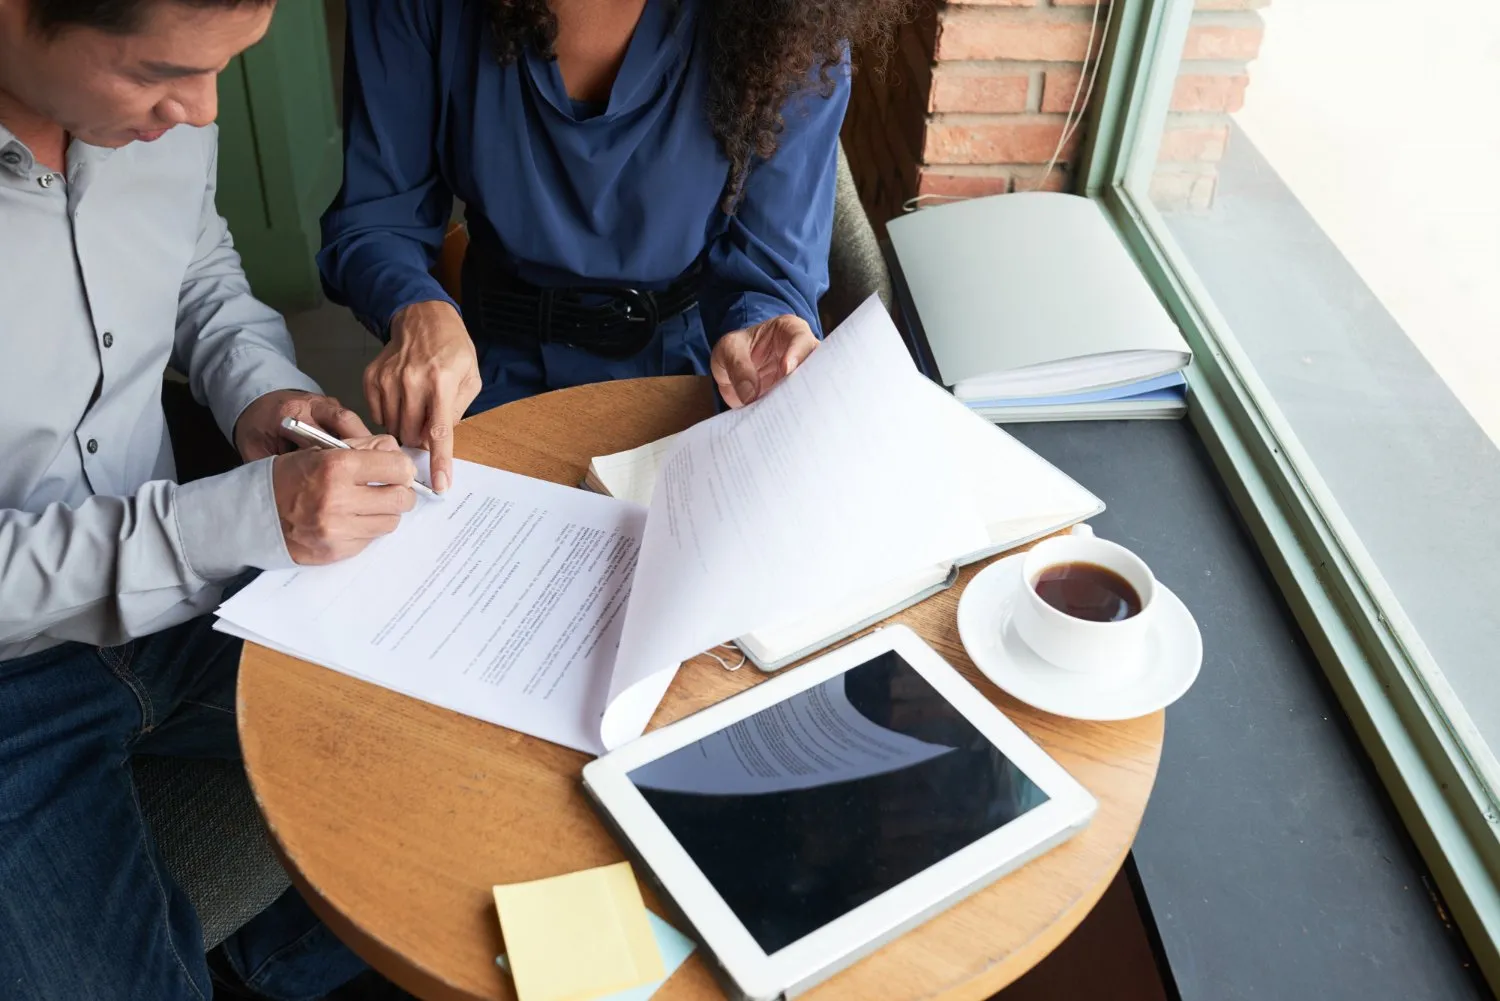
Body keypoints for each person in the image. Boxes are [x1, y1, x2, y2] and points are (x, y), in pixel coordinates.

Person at [0, 1, 424, 997]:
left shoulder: (163, 104)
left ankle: (271, 960)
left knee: (482, 761)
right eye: (157, 72)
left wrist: (260, 390)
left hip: (192, 598)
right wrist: (240, 519)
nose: (197, 110)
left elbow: (198, 265)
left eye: (225, 68)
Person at [319, 0, 909, 494]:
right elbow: (378, 219)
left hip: (698, 382)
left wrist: (766, 323)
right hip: (488, 377)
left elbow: (770, 265)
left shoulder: (790, 19)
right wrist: (416, 307)